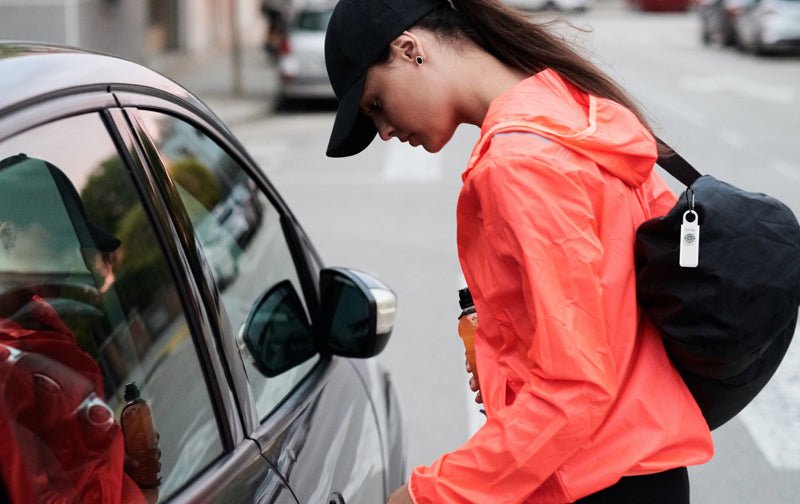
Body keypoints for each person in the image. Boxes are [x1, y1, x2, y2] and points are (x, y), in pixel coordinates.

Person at [323, 1, 714, 503]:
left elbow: (572, 389)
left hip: (591, 480)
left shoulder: (520, 163)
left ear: (409, 49)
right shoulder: (575, 114)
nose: (384, 130)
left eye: (376, 103)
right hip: (638, 464)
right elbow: (622, 304)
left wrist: (426, 495)